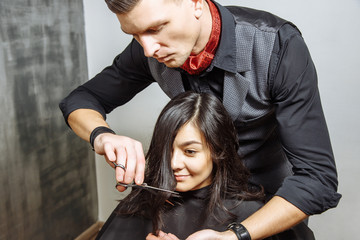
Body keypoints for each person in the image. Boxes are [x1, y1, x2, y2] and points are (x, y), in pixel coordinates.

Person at [59, 0, 341, 239]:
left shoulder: (277, 45)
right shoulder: (151, 49)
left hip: (267, 204)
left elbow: (318, 179)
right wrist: (102, 135)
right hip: (194, 198)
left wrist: (235, 235)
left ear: (195, 3)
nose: (148, 50)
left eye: (156, 28)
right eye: (134, 35)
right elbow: (80, 100)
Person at [95, 91, 314, 240]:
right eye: (167, 149)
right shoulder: (142, 202)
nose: (174, 163)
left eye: (190, 151)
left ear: (218, 152)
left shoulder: (251, 214)